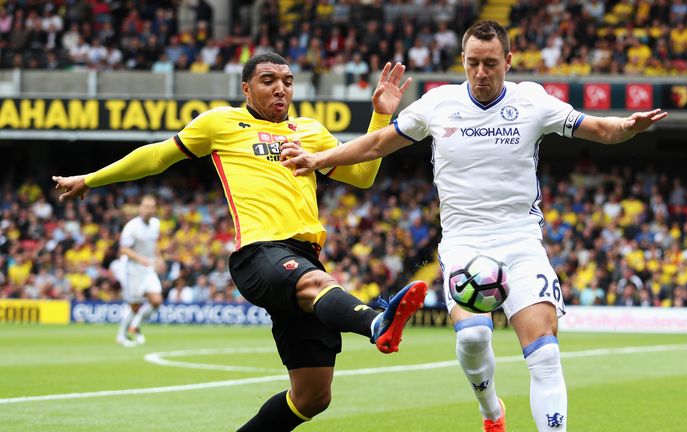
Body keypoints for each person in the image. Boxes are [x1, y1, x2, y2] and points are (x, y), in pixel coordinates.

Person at [281, 20, 668, 432]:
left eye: (490, 63)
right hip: (464, 242)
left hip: (521, 241)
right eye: (472, 64)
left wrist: (627, 127)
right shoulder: (437, 103)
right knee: (471, 339)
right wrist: (320, 160)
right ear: (462, 62)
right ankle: (491, 411)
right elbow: (377, 144)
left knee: (544, 354)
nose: (481, 73)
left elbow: (600, 129)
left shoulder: (532, 102)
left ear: (508, 61)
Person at [53, 52, 426, 432]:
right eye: (268, 80)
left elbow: (362, 176)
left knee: (313, 396)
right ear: (246, 88)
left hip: (304, 256)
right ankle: (377, 322)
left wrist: (380, 115)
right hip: (259, 253)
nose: (280, 87)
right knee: (317, 284)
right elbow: (157, 157)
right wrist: (91, 178)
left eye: (287, 80)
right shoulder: (221, 123)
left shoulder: (310, 132)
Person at [114, 194, 164, 347]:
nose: (149, 210)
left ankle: (135, 326)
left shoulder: (156, 223)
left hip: (148, 269)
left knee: (156, 301)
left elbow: (154, 243)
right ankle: (121, 336)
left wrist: (159, 257)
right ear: (140, 208)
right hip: (133, 270)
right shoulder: (132, 227)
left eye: (152, 207)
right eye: (146, 207)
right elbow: (123, 249)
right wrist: (140, 259)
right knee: (134, 306)